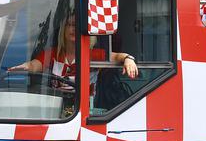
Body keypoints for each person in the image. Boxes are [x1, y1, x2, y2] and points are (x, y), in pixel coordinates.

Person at [9, 14, 138, 94]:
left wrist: (128, 59)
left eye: (77, 26)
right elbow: (35, 65)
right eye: (69, 25)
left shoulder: (93, 54)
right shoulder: (53, 53)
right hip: (57, 107)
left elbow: (117, 56)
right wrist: (25, 66)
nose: (73, 29)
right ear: (63, 30)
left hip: (86, 109)